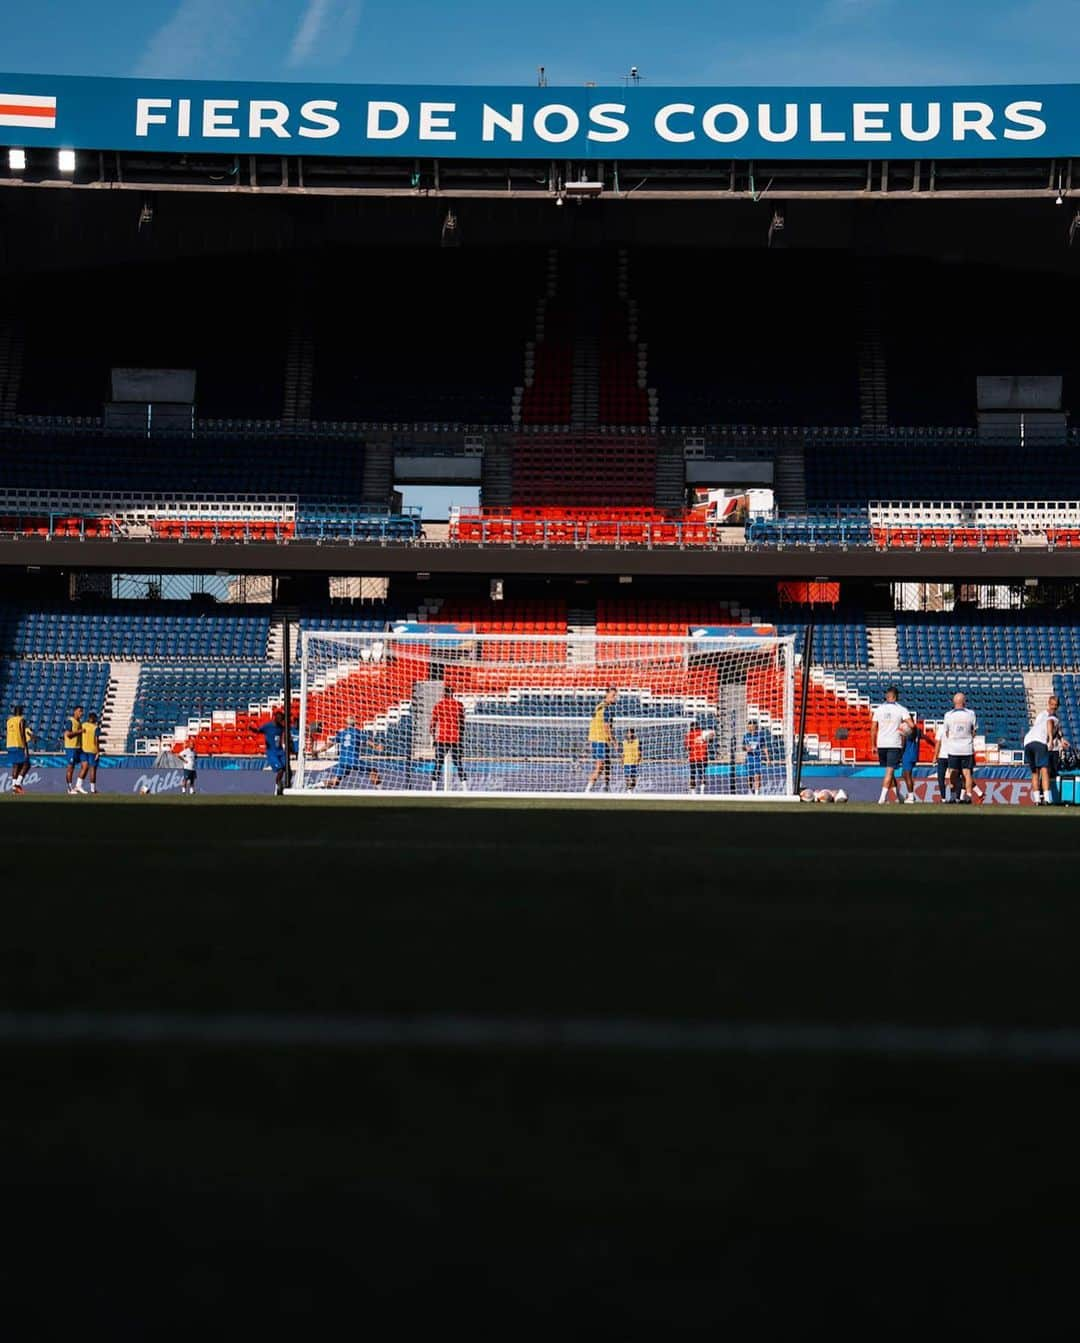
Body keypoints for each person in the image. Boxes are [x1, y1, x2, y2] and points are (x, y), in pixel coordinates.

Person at [870, 685, 913, 804]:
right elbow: (912, 725)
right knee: (889, 771)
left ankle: (898, 796)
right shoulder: (901, 709)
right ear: (895, 697)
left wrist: (873, 745)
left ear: (887, 696)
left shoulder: (878, 709)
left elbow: (873, 728)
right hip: (894, 743)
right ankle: (882, 798)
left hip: (881, 744)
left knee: (890, 770)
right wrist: (905, 729)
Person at [941, 691, 979, 805]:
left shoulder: (948, 715)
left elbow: (946, 732)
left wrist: (954, 738)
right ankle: (968, 796)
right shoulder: (971, 714)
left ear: (954, 702)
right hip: (966, 748)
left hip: (953, 748)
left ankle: (953, 797)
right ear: (964, 702)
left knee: (953, 772)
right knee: (967, 773)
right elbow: (974, 731)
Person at [328, 714, 383, 790]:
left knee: (335, 781)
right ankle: (380, 791)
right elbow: (367, 741)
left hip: (342, 761)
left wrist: (318, 751)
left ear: (346, 723)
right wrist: (376, 747)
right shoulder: (357, 732)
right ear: (355, 723)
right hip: (353, 760)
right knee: (373, 770)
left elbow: (329, 744)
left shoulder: (341, 733)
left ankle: (316, 786)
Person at [430, 685, 467, 791]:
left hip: (442, 739)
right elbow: (462, 723)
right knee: (458, 763)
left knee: (438, 764)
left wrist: (433, 738)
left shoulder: (439, 705)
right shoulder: (459, 705)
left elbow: (433, 723)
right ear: (452, 693)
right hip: (455, 739)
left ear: (444, 694)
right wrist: (461, 739)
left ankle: (433, 789)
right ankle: (465, 789)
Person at [585, 688, 618, 793]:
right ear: (607, 695)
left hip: (597, 739)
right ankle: (587, 789)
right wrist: (614, 741)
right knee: (600, 766)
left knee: (607, 764)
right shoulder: (606, 709)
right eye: (613, 695)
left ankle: (606, 788)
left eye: (616, 695)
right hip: (600, 739)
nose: (616, 697)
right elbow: (606, 727)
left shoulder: (599, 706)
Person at [250, 709, 288, 795]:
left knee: (287, 769)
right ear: (275, 718)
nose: (281, 721)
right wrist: (252, 729)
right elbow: (258, 731)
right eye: (279, 718)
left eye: (282, 719)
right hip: (272, 753)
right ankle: (277, 787)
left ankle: (285, 785)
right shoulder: (268, 726)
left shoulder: (281, 727)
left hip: (280, 752)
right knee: (280, 769)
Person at [6, 704, 33, 794]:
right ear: (20, 712)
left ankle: (14, 788)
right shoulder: (21, 720)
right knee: (27, 764)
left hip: (10, 744)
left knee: (16, 766)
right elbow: (22, 734)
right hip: (18, 744)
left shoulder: (9, 721)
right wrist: (25, 747)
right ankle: (17, 784)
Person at [898, 712, 925, 804]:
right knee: (906, 775)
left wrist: (900, 754)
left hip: (907, 754)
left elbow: (903, 743)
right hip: (914, 755)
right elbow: (926, 737)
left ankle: (911, 796)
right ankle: (909, 794)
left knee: (907, 775)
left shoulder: (907, 729)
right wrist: (934, 744)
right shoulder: (917, 729)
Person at [684, 720, 712, 795]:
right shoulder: (703, 733)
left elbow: (687, 747)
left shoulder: (689, 734)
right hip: (702, 757)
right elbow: (712, 734)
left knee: (693, 774)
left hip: (693, 757)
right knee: (701, 774)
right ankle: (702, 791)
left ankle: (693, 792)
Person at [78, 711, 102, 795]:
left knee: (84, 768)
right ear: (95, 719)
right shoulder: (96, 727)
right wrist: (98, 752)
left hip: (83, 750)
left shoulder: (83, 725)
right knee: (93, 769)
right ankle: (92, 789)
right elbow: (96, 740)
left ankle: (78, 785)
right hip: (92, 750)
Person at [63, 704, 85, 795]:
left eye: (82, 711)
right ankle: (69, 788)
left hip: (78, 748)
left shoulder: (79, 722)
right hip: (71, 748)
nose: (81, 713)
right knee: (70, 768)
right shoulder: (70, 721)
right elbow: (68, 734)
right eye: (80, 711)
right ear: (75, 711)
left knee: (85, 764)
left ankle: (78, 785)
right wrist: (79, 732)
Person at [743, 719, 764, 795]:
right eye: (750, 728)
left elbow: (764, 746)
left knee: (757, 776)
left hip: (757, 759)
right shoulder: (746, 736)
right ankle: (751, 790)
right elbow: (743, 747)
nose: (751, 729)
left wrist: (768, 758)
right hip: (749, 759)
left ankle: (757, 793)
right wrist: (746, 748)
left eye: (753, 728)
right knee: (750, 777)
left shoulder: (760, 736)